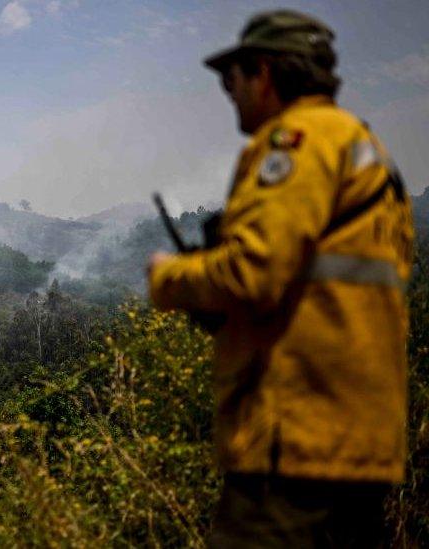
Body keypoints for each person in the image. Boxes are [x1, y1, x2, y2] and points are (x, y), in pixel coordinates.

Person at [147, 10, 414, 547]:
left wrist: (170, 277)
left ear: (264, 73)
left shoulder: (297, 142)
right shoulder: (370, 153)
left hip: (294, 440)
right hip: (364, 443)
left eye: (232, 78)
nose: (228, 92)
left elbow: (254, 272)